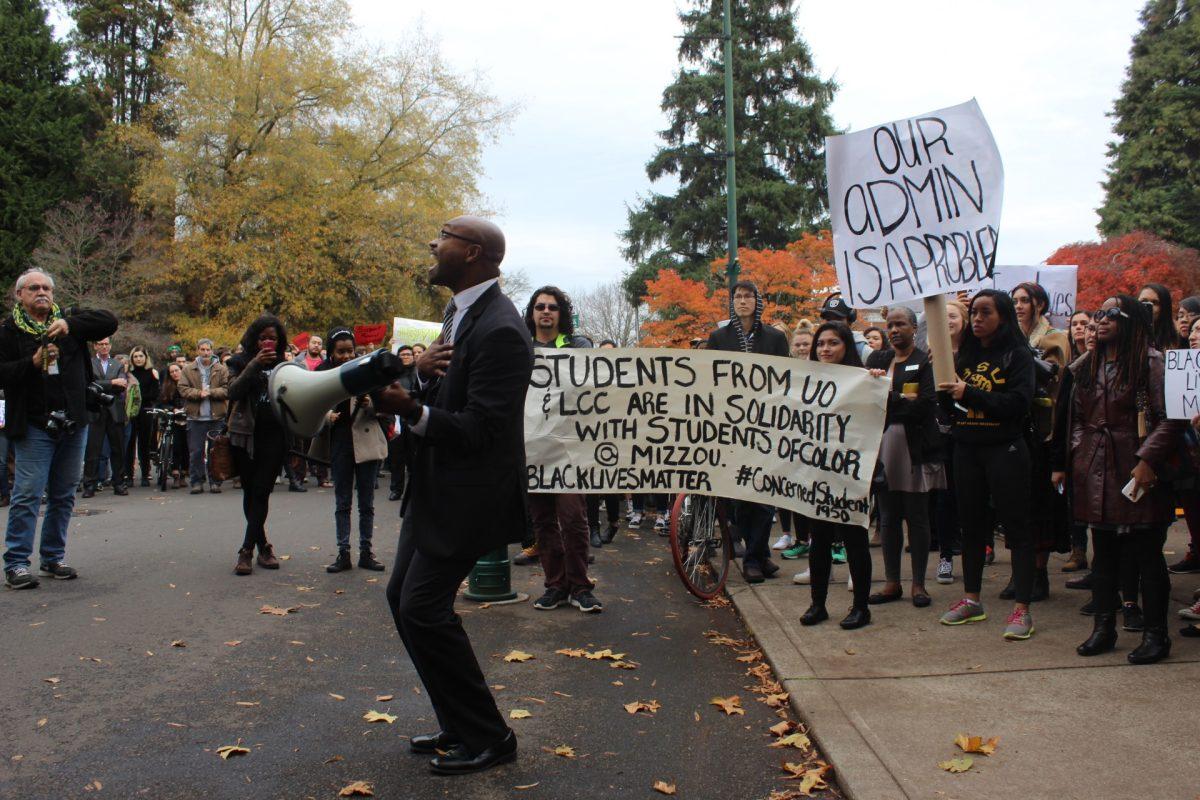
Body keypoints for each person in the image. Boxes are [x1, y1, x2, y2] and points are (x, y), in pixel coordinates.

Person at [378, 215, 530, 775]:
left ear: (471, 253)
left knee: (422, 608)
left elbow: (480, 430)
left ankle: (491, 737)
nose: (433, 245)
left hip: (469, 497)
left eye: (442, 237)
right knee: (403, 600)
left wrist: (411, 409)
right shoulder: (458, 313)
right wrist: (416, 378)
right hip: (434, 488)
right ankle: (459, 723)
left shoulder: (501, 331)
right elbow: (446, 388)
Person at [1066, 296, 1183, 664]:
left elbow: (1173, 418)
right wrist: (1079, 453)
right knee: (1102, 554)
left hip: (1136, 467)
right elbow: (1076, 418)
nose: (1101, 320)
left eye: (1111, 313)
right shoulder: (1089, 364)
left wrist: (1148, 459)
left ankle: (1155, 635)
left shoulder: (1152, 361)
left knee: (1147, 555)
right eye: (1098, 313)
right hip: (1096, 466)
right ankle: (1103, 627)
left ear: (1131, 319)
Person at [1, 269, 118, 589]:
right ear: (20, 295)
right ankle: (16, 563)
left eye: (47, 288)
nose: (42, 293)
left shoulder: (68, 322)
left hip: (73, 422)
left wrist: (71, 325)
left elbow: (109, 321)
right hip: (34, 425)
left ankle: (52, 557)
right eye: (34, 288)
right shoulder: (9, 331)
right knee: (27, 495)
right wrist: (32, 363)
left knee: (64, 495)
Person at [937, 289, 1038, 640]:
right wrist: (945, 395)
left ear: (1003, 317)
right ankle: (972, 600)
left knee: (1016, 529)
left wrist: (970, 394)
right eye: (974, 312)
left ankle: (1022, 610)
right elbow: (950, 406)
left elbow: (1017, 404)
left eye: (985, 313)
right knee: (972, 527)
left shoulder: (1018, 355)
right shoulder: (963, 353)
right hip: (967, 449)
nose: (977, 319)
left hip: (1005, 450)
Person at [523, 285, 602, 611]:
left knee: (572, 518)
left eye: (552, 307)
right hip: (532, 447)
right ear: (531, 313)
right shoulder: (520, 348)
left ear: (561, 314)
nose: (545, 311)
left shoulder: (577, 346)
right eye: (540, 306)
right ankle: (555, 585)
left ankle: (580, 587)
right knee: (542, 521)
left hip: (570, 447)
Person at [706, 280, 790, 583]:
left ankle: (755, 556)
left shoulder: (774, 338)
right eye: (738, 296)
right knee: (742, 495)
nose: (743, 301)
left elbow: (786, 378)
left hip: (766, 424)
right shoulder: (718, 337)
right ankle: (759, 554)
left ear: (758, 301)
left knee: (766, 495)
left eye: (748, 296)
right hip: (732, 426)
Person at [866, 308, 945, 608]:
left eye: (900, 324)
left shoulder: (924, 361)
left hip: (915, 448)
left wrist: (891, 399)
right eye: (890, 325)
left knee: (917, 517)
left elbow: (925, 405)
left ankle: (919, 585)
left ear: (914, 327)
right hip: (883, 448)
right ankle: (891, 582)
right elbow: (868, 400)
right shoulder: (877, 360)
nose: (894, 329)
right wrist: (901, 400)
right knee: (887, 518)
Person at [800, 322, 873, 629]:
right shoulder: (804, 382)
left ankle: (861, 608)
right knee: (819, 540)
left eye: (833, 343)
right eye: (821, 344)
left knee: (855, 538)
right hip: (818, 471)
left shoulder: (864, 380)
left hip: (850, 473)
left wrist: (877, 384)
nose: (825, 349)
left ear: (847, 348)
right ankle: (818, 604)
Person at [1011, 281, 1072, 602]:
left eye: (1025, 300)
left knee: (1040, 506)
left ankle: (1038, 573)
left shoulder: (1055, 338)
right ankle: (1018, 572)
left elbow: (1058, 382)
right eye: (1015, 301)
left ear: (1040, 304)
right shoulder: (1006, 337)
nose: (1019, 306)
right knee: (1014, 504)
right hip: (1012, 428)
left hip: (1043, 430)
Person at [225, 315, 289, 576]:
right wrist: (253, 365)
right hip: (244, 436)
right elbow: (233, 392)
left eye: (272, 338)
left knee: (262, 492)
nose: (267, 342)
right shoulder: (239, 362)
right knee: (250, 493)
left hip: (274, 437)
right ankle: (263, 546)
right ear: (254, 339)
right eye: (263, 337)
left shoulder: (286, 366)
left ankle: (246, 551)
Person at [321, 327, 388, 574]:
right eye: (341, 352)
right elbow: (314, 407)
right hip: (340, 445)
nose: (347, 356)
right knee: (343, 502)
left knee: (367, 502)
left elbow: (388, 405)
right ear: (331, 354)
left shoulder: (368, 372)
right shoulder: (323, 375)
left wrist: (371, 405)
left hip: (366, 443)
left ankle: (366, 552)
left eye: (350, 350)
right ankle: (343, 552)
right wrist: (328, 416)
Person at [932, 299, 967, 586]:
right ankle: (946, 556)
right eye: (943, 317)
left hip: (972, 434)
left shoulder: (975, 354)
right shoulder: (931, 354)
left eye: (953, 315)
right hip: (943, 437)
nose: (948, 321)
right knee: (945, 499)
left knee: (970, 498)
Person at [178, 338, 229, 494]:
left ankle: (215, 481)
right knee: (196, 451)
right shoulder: (188, 369)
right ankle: (197, 481)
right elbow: (182, 388)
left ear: (212, 351)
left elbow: (227, 389)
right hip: (196, 417)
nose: (206, 353)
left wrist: (212, 392)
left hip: (216, 417)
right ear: (197, 350)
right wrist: (198, 393)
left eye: (208, 350)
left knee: (215, 452)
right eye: (203, 350)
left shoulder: (221, 369)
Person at [81, 338, 129, 497]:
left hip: (114, 410)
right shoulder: (89, 363)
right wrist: (111, 382)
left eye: (106, 344)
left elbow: (121, 384)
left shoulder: (118, 364)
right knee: (93, 450)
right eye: (100, 344)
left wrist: (104, 384)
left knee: (118, 449)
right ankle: (89, 484)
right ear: (95, 345)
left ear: (110, 346)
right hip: (95, 410)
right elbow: (89, 385)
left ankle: (119, 483)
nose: (104, 346)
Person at [586, 339, 623, 546]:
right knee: (591, 484)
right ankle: (593, 528)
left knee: (610, 485)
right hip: (591, 436)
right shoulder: (589, 379)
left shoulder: (624, 379)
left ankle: (614, 523)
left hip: (615, 437)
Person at [386, 344, 417, 502]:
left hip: (413, 421)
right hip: (396, 422)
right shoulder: (392, 375)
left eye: (408, 354)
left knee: (413, 459)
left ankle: (414, 490)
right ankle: (396, 489)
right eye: (402, 355)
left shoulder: (419, 374)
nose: (405, 357)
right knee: (396, 459)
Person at [125, 346, 159, 487]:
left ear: (146, 358)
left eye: (141, 356)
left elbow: (154, 394)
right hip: (131, 412)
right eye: (136, 356)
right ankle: (129, 475)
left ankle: (145, 474)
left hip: (146, 411)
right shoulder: (128, 373)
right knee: (129, 444)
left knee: (144, 444)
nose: (138, 359)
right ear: (132, 358)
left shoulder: (152, 373)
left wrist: (138, 397)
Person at [158, 362, 189, 489]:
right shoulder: (166, 387)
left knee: (187, 447)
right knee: (176, 446)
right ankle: (175, 471)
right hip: (173, 419)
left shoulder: (188, 384)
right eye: (172, 371)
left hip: (188, 418)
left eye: (177, 370)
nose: (175, 373)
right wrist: (173, 409)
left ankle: (184, 473)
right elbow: (161, 403)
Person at [1137, 283, 1181, 351]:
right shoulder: (1125, 336)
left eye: (1155, 303)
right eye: (1143, 301)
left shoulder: (1178, 341)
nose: (1148, 307)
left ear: (1165, 308)